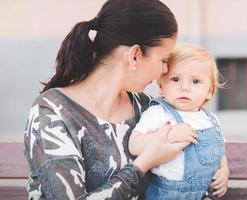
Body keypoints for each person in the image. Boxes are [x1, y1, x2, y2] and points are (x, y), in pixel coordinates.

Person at [24, 0, 229, 199]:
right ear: (135, 55)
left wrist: (221, 166)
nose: (165, 70)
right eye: (164, 60)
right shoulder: (52, 113)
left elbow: (195, 136)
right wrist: (145, 161)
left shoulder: (146, 106)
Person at [129, 44, 229, 199]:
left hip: (204, 194)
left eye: (195, 81)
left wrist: (224, 169)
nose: (184, 88)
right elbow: (134, 145)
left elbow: (218, 150)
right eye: (175, 79)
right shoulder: (158, 113)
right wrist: (168, 135)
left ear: (210, 91)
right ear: (161, 85)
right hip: (167, 195)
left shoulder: (211, 120)